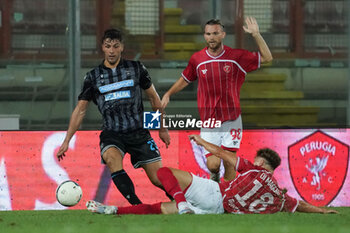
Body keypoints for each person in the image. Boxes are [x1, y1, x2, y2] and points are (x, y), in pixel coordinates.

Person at [86, 135, 338, 215]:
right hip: (218, 210)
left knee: (163, 173)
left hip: (214, 193)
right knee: (158, 209)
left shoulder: (252, 168)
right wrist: (323, 211)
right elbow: (299, 206)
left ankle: (181, 202)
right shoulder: (280, 197)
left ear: (261, 162)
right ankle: (111, 211)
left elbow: (223, 153)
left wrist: (201, 141)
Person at [56, 28, 170, 205]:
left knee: (157, 178)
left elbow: (153, 98)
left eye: (115, 46)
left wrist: (162, 128)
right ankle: (137, 206)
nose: (111, 50)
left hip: (139, 132)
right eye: (108, 46)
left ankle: (183, 201)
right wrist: (67, 140)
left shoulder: (136, 68)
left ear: (122, 47)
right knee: (111, 157)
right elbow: (80, 110)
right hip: (113, 133)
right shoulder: (92, 77)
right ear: (102, 47)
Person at [161, 17, 273, 182]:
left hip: (232, 119)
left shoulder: (236, 56)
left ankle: (226, 197)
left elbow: (267, 58)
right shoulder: (197, 59)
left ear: (223, 35)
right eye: (208, 34)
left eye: (215, 33)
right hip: (209, 121)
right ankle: (215, 180)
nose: (211, 37)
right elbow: (185, 78)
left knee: (229, 162)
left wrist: (256, 34)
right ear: (204, 36)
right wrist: (168, 94)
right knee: (213, 164)